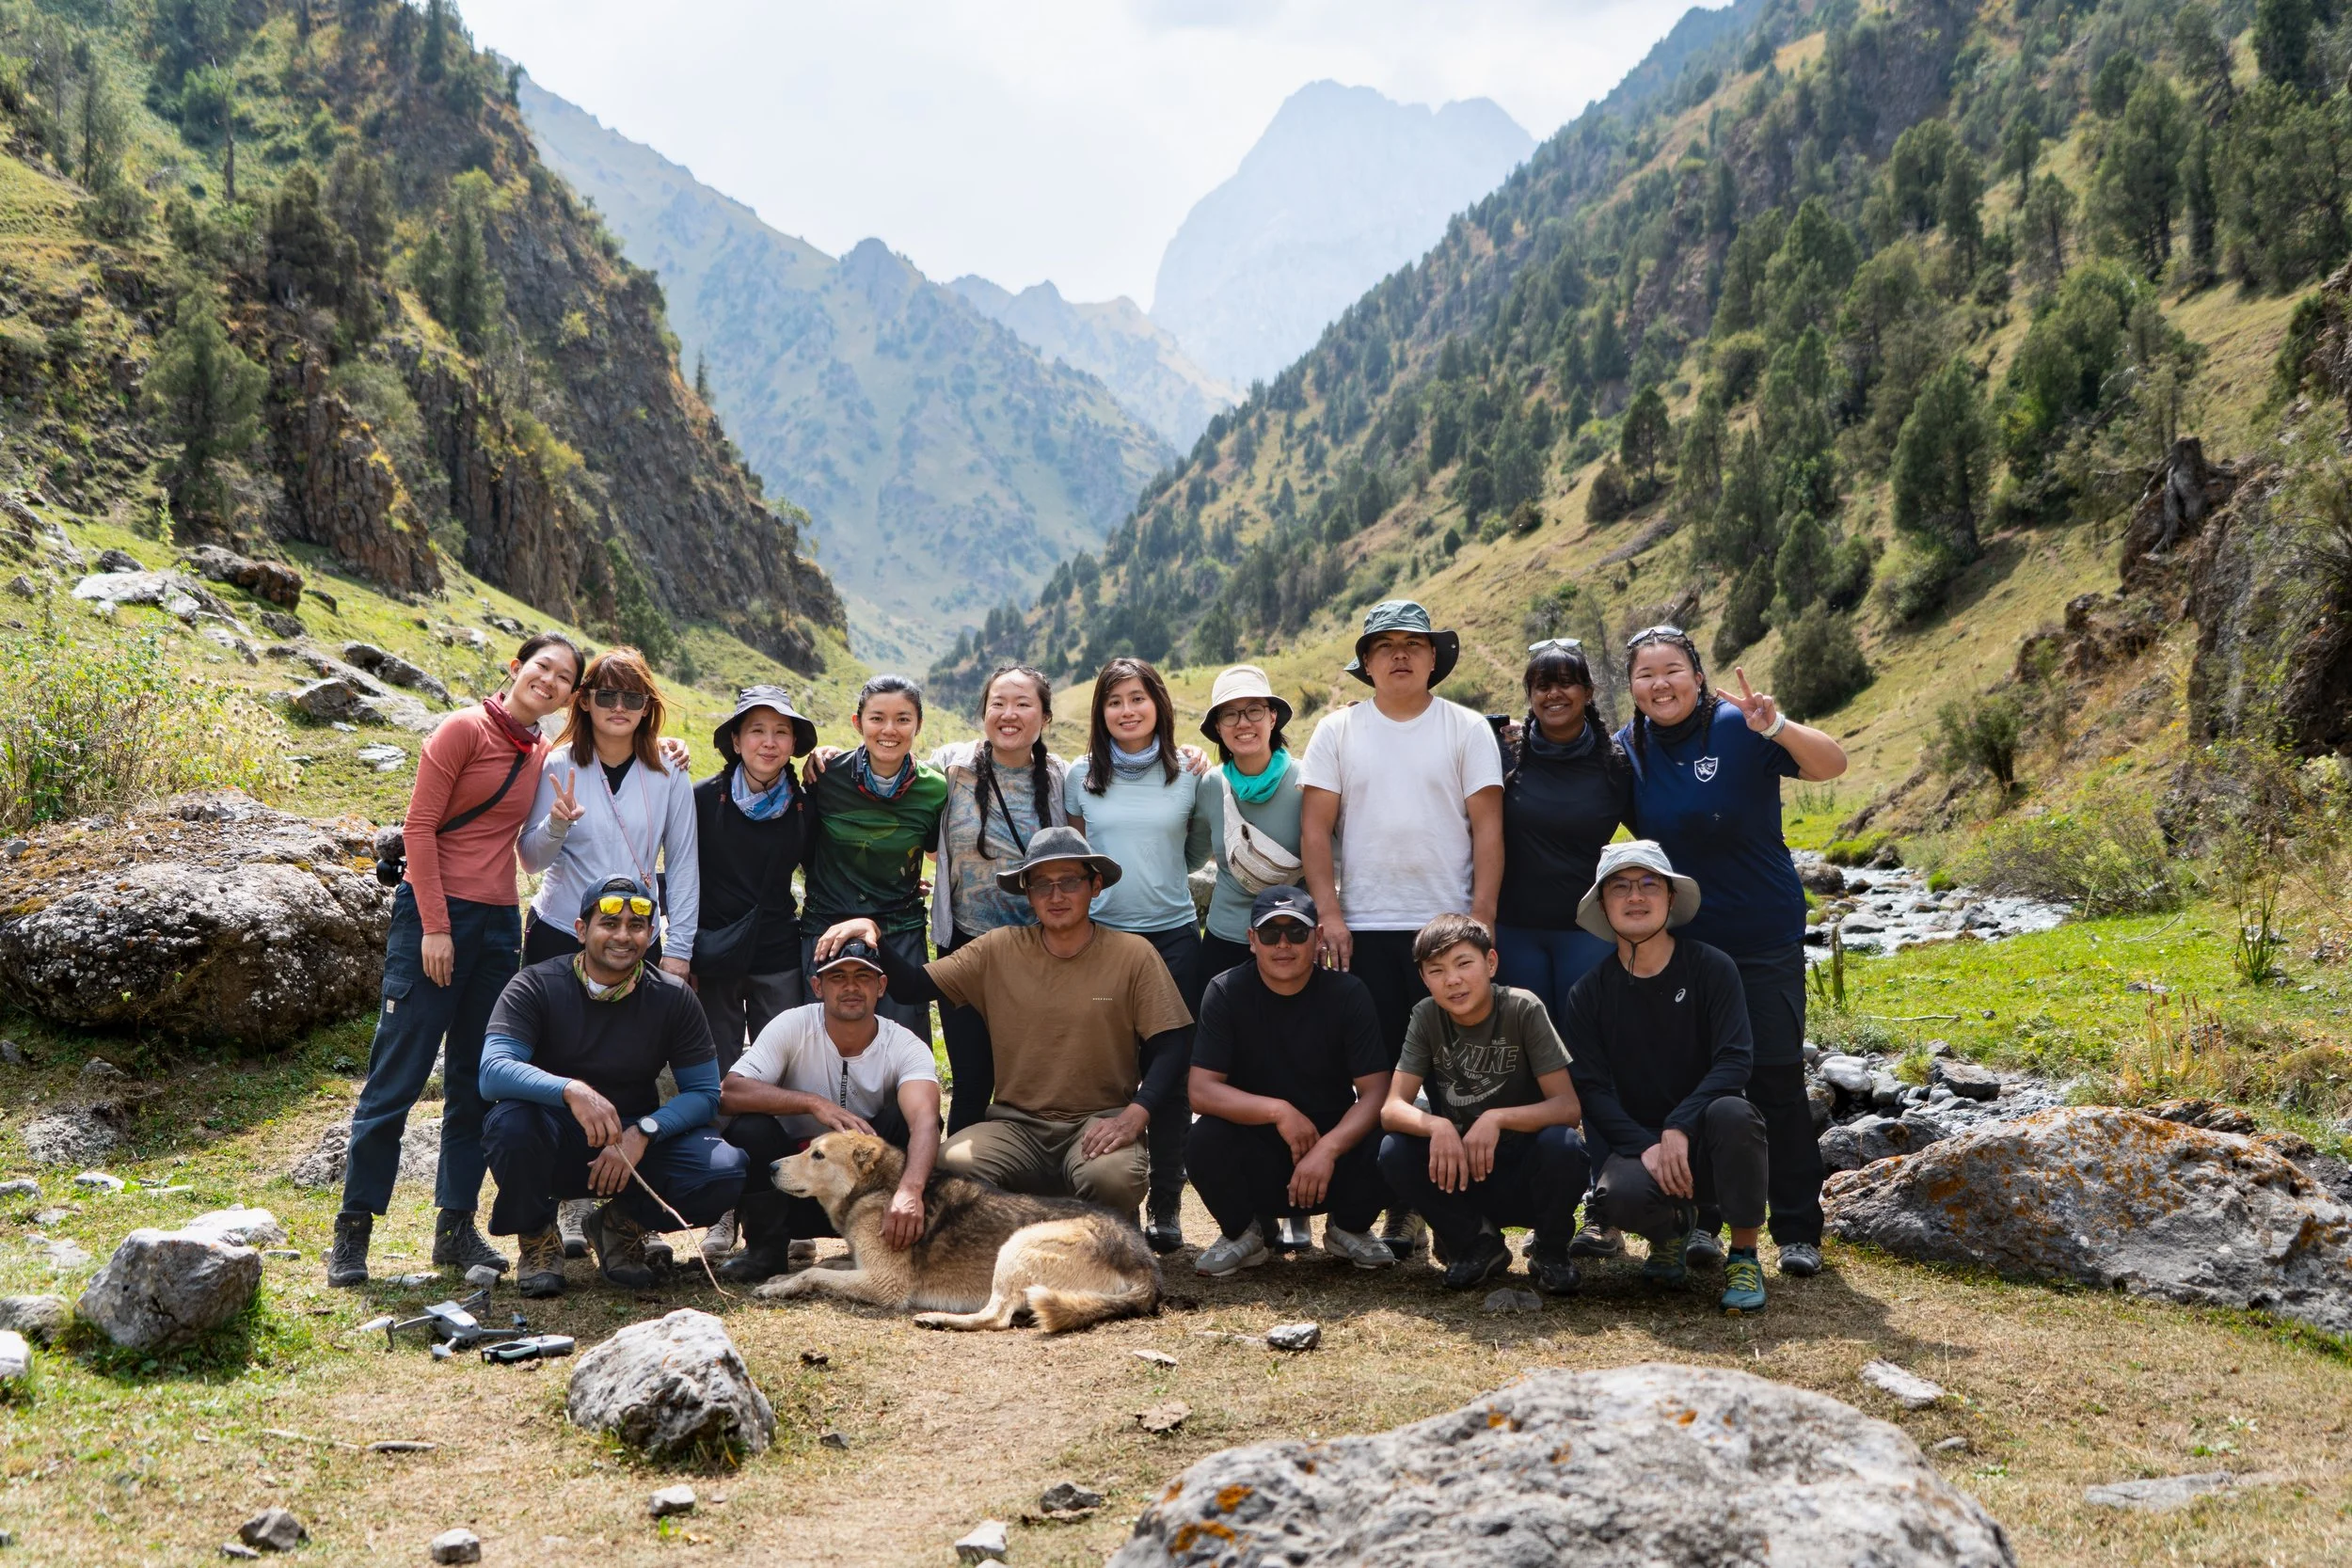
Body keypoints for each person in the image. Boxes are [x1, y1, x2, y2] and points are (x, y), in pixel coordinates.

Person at [330, 631, 583, 1290]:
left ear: (569, 696)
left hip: (500, 925)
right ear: (516, 668)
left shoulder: (540, 753)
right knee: (398, 1075)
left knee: (478, 1080)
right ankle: (354, 1229)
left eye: (563, 678)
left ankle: (454, 1227)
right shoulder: (462, 730)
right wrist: (435, 929)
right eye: (541, 667)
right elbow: (419, 827)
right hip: (434, 915)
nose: (549, 681)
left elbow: (527, 853)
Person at [1616, 626, 1846, 1279]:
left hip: (1761, 935)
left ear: (1696, 673)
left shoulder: (1740, 725)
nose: (1660, 683)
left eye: (1672, 669)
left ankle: (1799, 1229)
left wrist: (1776, 727)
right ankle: (1705, 1223)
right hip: (1682, 944)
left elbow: (1833, 763)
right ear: (1630, 686)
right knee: (1697, 1084)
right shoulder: (1626, 750)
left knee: (1774, 1076)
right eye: (1645, 673)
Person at [813, 827, 1190, 1216]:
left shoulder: (1133, 955)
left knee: (1112, 1178)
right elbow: (912, 987)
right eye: (1041, 884)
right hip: (1018, 1126)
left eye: (1069, 882)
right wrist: (872, 932)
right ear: (1027, 892)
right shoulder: (998, 949)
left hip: (1098, 1124)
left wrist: (1136, 1114)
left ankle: (1106, 1230)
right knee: (954, 1163)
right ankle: (1015, 1234)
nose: (1055, 896)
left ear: (1095, 886)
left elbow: (1173, 1042)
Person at [1301, 600, 1504, 1259]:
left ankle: (1459, 1215)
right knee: (1381, 1074)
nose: (1399, 655)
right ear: (1365, 662)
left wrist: (1482, 922)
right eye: (1383, 645)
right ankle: (1394, 1204)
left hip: (1446, 928)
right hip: (1364, 926)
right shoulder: (1337, 731)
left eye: (1412, 644)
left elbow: (1488, 830)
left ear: (1433, 657)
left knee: (1457, 1074)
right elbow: (1315, 830)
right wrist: (1329, 913)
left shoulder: (1466, 727)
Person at [477, 878, 747, 1297]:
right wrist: (571, 1091)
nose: (623, 936)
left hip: (632, 1147)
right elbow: (493, 1070)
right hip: (555, 1138)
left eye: (636, 926)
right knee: (510, 1123)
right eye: (609, 923)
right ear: (582, 930)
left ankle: (617, 1227)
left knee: (725, 1170)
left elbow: (705, 1093)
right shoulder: (536, 984)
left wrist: (645, 1132)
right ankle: (537, 1238)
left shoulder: (673, 997)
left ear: (651, 934)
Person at [1562, 841, 1771, 1315]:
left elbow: (1735, 1061)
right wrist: (1646, 1144)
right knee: (1618, 1197)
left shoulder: (1712, 968)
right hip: (1641, 1144)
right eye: (1620, 888)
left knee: (1737, 1114)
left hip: (1710, 1136)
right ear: (1602, 905)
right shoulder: (1588, 993)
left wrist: (1679, 1124)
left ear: (1671, 899)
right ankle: (1670, 1233)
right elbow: (1591, 1090)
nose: (1636, 897)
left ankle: (1743, 1255)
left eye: (1649, 884)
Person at [1063, 657, 1213, 1253]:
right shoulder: (1081, 775)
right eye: (1115, 701)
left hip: (1174, 937)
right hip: (1101, 939)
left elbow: (1196, 847)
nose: (1127, 710)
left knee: (1169, 1074)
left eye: (1138, 699)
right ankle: (1111, 1196)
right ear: (1101, 713)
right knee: (1106, 1071)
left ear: (1159, 705)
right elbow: (1076, 856)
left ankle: (1169, 1209)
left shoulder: (1189, 774)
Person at [1185, 888, 1395, 1277]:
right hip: (1257, 1150)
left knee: (1391, 1138)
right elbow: (1200, 1091)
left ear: (1316, 938)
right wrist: (1279, 1111)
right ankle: (1241, 1233)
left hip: (1331, 1156)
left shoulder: (1349, 994)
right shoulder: (1225, 991)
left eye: (1296, 933)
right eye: (1270, 934)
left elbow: (1376, 1092)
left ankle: (1348, 1227)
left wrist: (1328, 1150)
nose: (1283, 945)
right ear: (1252, 941)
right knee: (1202, 1139)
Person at [1375, 914, 1588, 1293]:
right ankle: (1476, 1242)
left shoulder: (1523, 1008)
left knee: (1564, 1147)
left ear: (1491, 962)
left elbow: (1568, 1108)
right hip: (1460, 1170)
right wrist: (1437, 1126)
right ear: (1424, 979)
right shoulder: (1426, 1015)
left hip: (1524, 1165)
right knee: (1395, 1150)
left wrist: (1496, 1118)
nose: (1452, 980)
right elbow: (1392, 1108)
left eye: (1463, 963)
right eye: (1436, 970)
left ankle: (1551, 1249)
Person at [715, 937, 944, 1282]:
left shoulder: (904, 1044)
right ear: (817, 986)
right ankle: (765, 1250)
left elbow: (926, 1122)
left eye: (863, 977)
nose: (851, 987)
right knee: (750, 1127)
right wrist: (812, 1103)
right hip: (792, 1188)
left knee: (904, 1118)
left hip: (866, 1195)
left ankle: (884, 1244)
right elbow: (730, 1091)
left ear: (881, 986)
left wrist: (910, 1192)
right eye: (838, 977)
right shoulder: (792, 1025)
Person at [688, 685, 818, 1266]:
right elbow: (679, 879)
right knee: (714, 1077)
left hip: (775, 953)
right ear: (735, 740)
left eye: (781, 732)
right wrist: (679, 953)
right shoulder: (698, 800)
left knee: (785, 1076)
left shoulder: (806, 803)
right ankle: (723, 1206)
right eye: (757, 730)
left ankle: (782, 1212)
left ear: (794, 744)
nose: (769, 742)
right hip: (712, 957)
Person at [927, 665, 1071, 1136]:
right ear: (983, 711)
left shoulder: (1060, 779)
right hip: (964, 950)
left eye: (1023, 704)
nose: (1009, 714)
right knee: (971, 1079)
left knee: (1030, 1078)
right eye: (998, 704)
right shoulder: (951, 764)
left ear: (1045, 716)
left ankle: (1025, 1186)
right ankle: (957, 1194)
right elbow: (889, 774)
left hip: (1038, 954)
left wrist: (1188, 754)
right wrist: (826, 757)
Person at [516, 646, 700, 975]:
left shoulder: (670, 770)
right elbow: (531, 861)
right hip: (561, 931)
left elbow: (683, 864)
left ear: (646, 707)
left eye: (632, 698)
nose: (619, 707)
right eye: (607, 696)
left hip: (637, 937)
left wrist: (679, 949)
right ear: (585, 701)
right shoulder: (559, 763)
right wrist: (556, 824)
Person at [801, 674, 948, 1038]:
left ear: (918, 725)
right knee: (821, 1043)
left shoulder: (934, 788)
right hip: (826, 926)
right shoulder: (826, 776)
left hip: (900, 932)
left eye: (903, 719)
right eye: (877, 718)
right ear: (858, 723)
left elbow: (929, 852)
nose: (889, 730)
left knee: (902, 1042)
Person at [1195, 665, 1306, 983]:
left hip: (1292, 941)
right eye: (1230, 715)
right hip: (1225, 942)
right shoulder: (1211, 785)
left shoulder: (1308, 781)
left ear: (1272, 717)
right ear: (1218, 727)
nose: (1243, 723)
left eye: (1254, 711)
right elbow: (1191, 856)